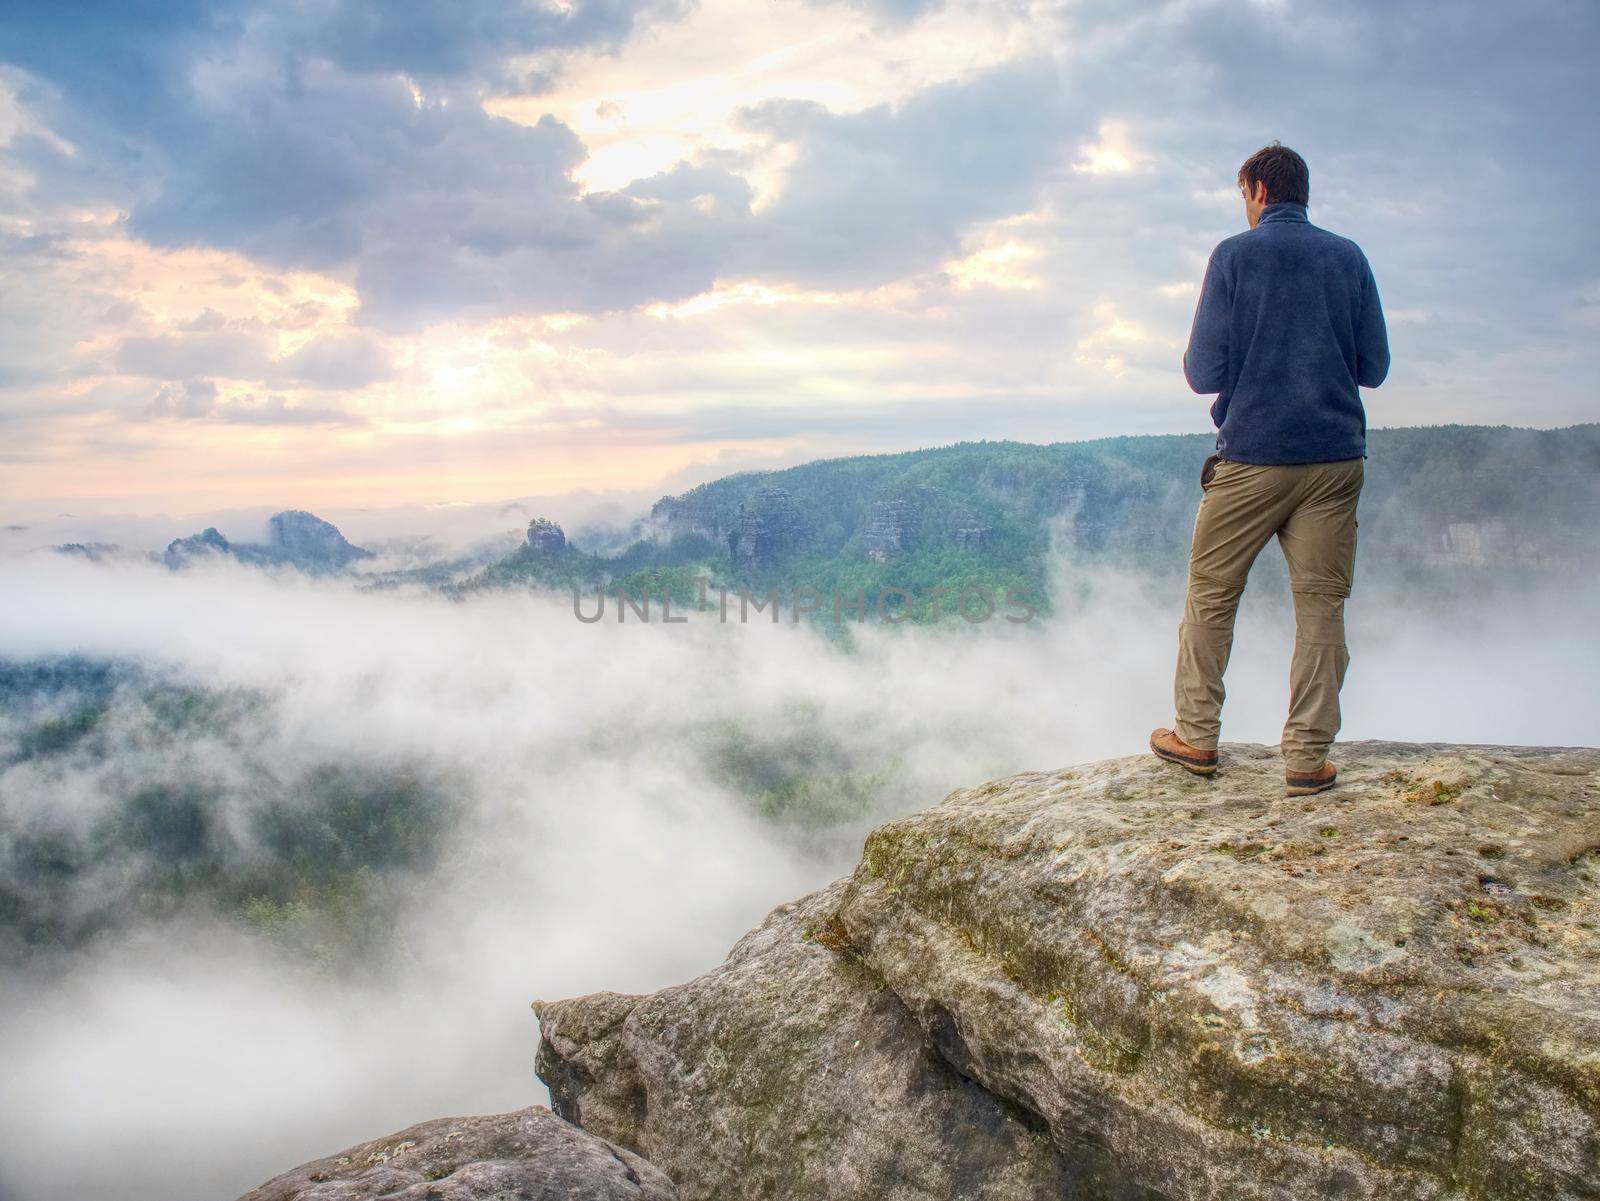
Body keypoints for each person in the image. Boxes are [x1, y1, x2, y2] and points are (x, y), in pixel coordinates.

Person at [1150, 142, 1390, 797]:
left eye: (1244, 195)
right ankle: (1307, 758)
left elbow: (1203, 375)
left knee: (1211, 596)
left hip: (1252, 458)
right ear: (1301, 192)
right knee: (1321, 608)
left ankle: (1196, 737)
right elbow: (1374, 367)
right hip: (1335, 460)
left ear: (1257, 190)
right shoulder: (1348, 257)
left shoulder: (1234, 255)